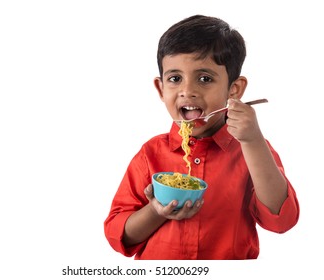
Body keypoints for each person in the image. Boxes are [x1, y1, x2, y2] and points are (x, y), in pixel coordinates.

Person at [104, 14, 299, 260]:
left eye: (205, 79)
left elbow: (282, 220)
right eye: (175, 79)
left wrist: (253, 141)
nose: (188, 91)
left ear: (234, 89)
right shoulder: (150, 153)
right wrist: (156, 212)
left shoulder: (252, 149)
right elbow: (118, 235)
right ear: (161, 89)